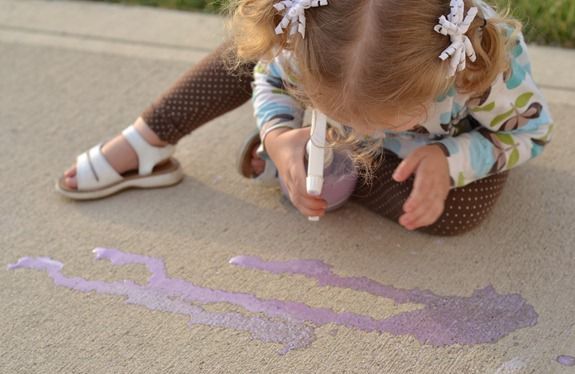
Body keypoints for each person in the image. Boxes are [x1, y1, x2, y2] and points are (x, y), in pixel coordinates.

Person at [57, 0, 554, 236]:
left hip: (427, 154)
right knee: (249, 50)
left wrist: (449, 160)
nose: (363, 132)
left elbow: (532, 132)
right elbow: (272, 80)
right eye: (346, 116)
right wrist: (276, 133)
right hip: (326, 69)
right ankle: (148, 138)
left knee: (456, 215)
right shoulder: (311, 32)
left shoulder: (479, 68)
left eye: (385, 119)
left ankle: (327, 167)